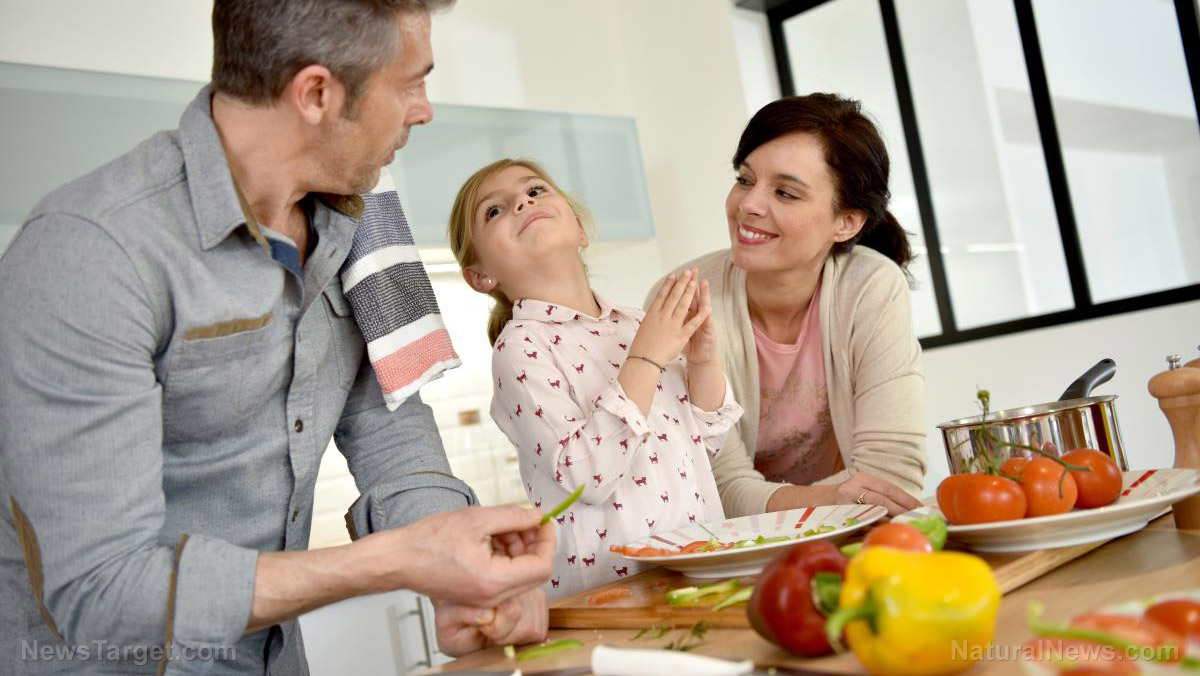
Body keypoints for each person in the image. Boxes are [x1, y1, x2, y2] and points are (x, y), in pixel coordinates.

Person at [0, 1, 553, 674]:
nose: (424, 110)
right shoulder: (91, 252)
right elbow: (101, 591)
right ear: (316, 93)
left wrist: (464, 571)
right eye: (410, 83)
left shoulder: (364, 219)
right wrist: (392, 560)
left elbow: (389, 428)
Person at [447, 159, 743, 598]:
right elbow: (587, 477)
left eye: (535, 190)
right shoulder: (520, 348)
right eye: (495, 210)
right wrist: (647, 357)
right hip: (612, 596)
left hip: (700, 569)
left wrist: (702, 360)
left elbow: (706, 440)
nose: (523, 202)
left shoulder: (637, 324)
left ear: (580, 231)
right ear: (481, 276)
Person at [656, 93, 927, 519]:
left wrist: (801, 505)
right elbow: (711, 484)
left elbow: (893, 473)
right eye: (745, 180)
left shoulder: (869, 286)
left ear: (847, 222)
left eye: (785, 192)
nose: (748, 205)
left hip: (854, 533)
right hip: (740, 545)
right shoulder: (683, 298)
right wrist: (830, 500)